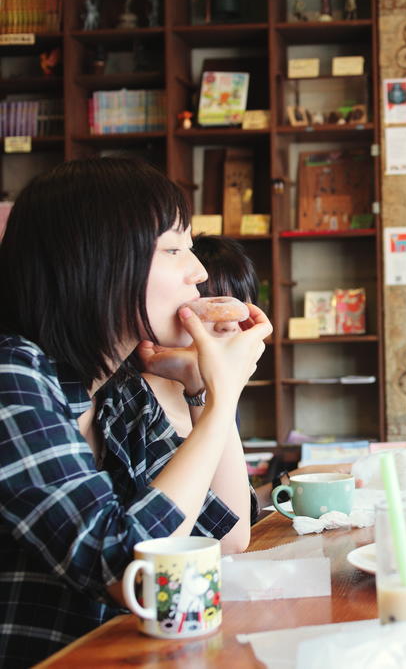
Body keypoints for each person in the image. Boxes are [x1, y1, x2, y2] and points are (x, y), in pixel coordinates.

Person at [0, 158, 272, 665]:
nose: (199, 272)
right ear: (96, 260)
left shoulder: (119, 393)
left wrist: (208, 394)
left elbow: (226, 537)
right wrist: (220, 406)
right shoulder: (12, 377)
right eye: (173, 249)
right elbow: (131, 568)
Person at [141, 234, 260, 438]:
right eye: (210, 308)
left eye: (238, 308)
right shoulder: (137, 399)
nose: (229, 325)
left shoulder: (217, 390)